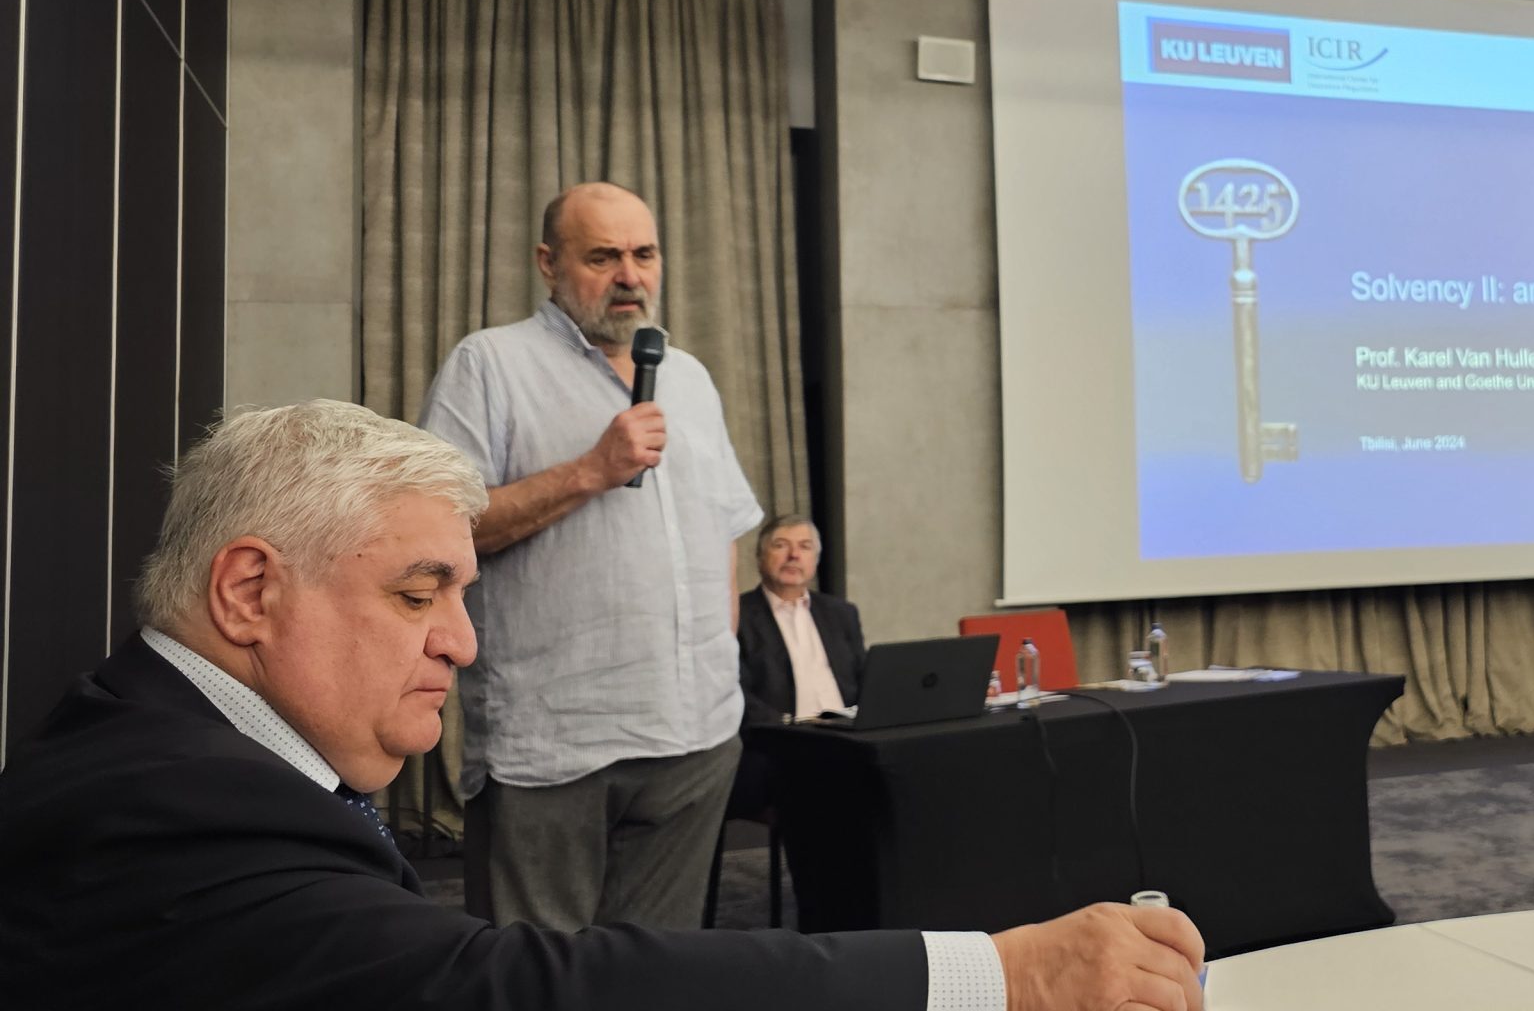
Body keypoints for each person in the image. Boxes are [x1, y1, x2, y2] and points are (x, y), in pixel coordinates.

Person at [0, 400, 1206, 1010]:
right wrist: (1003, 975)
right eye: (419, 592)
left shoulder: (176, 742)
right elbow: (502, 987)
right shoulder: (159, 800)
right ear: (251, 590)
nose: (461, 640)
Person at [418, 181, 760, 930]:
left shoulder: (689, 377)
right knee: (536, 975)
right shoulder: (491, 365)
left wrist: (719, 664)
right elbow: (437, 531)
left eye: (644, 254)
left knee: (657, 973)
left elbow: (722, 534)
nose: (630, 276)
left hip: (695, 739)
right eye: (603, 257)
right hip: (554, 743)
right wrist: (590, 471)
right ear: (549, 262)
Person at [737, 512, 865, 725]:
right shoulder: (738, 615)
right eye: (780, 545)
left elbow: (865, 680)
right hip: (784, 735)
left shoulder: (841, 613)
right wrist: (787, 725)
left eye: (805, 547)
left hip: (848, 732)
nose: (794, 555)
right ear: (760, 557)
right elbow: (735, 693)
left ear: (815, 560)